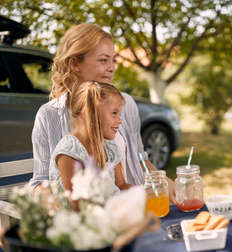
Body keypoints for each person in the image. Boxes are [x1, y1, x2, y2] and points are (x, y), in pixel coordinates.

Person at [30, 23, 175, 200]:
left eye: (113, 60)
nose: (112, 67)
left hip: (136, 206)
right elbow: (41, 181)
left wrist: (164, 181)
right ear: (75, 63)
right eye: (103, 60)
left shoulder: (126, 103)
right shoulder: (48, 115)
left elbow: (140, 158)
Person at [49, 81, 131, 194]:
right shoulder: (69, 152)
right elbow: (78, 205)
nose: (120, 120)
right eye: (114, 113)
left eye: (119, 114)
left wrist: (144, 192)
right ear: (90, 112)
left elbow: (121, 185)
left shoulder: (109, 148)